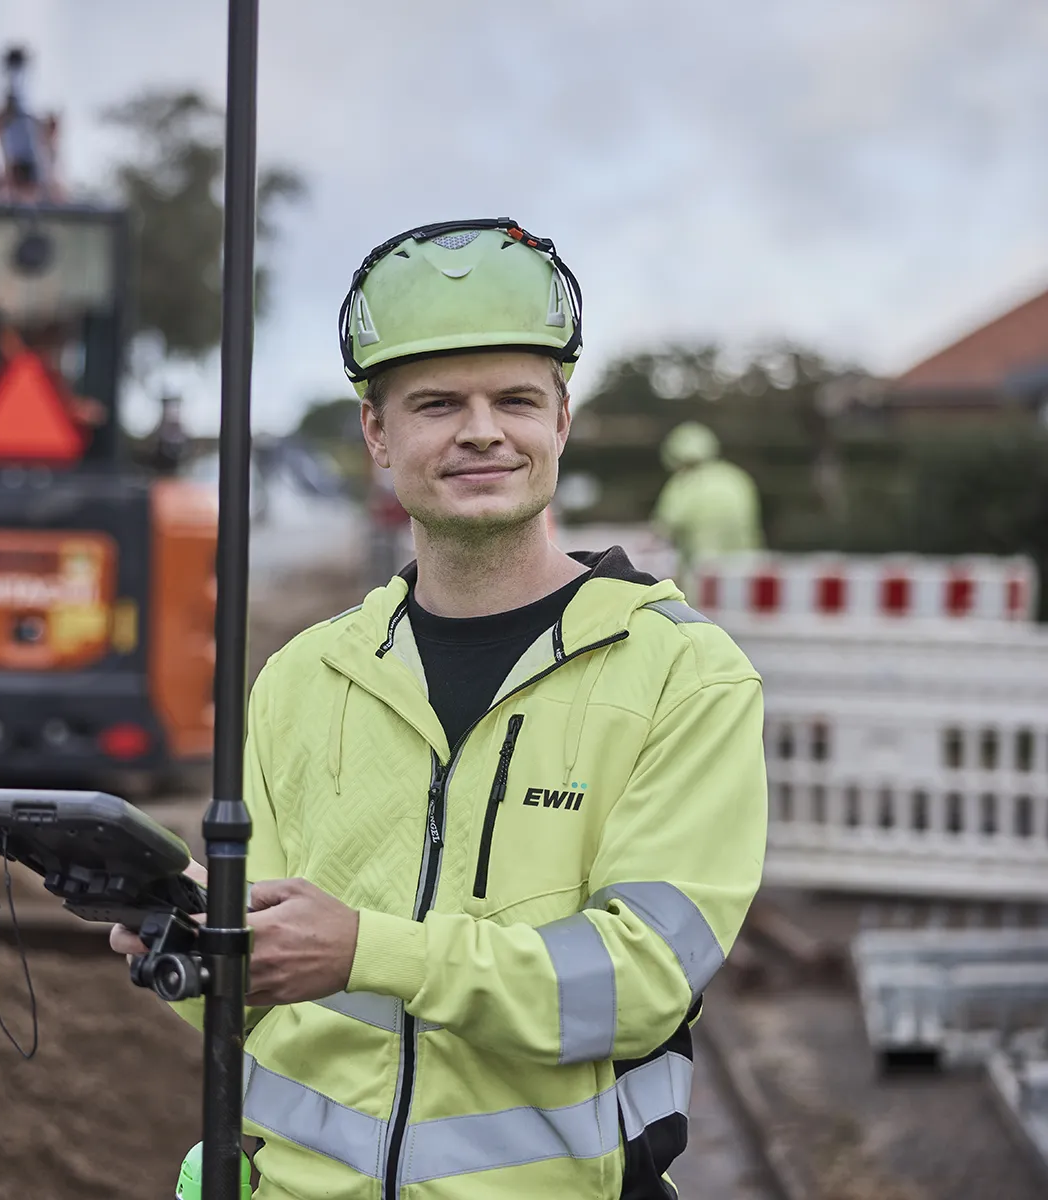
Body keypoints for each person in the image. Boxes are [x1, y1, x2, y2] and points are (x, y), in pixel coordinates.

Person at [113, 220, 769, 1198]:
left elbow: (641, 983)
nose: (482, 431)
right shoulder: (304, 678)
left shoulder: (683, 676)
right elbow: (259, 1011)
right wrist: (193, 947)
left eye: (515, 400)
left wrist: (369, 950)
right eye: (437, 404)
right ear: (376, 433)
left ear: (561, 420)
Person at [650, 420, 765, 579]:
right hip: (746, 567)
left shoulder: (684, 483)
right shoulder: (736, 477)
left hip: (704, 571)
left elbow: (663, 528)